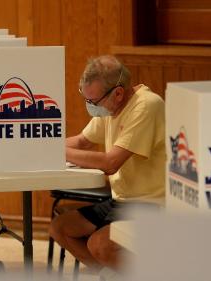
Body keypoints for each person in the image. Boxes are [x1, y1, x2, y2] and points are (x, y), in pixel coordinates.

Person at [49, 55, 166, 271]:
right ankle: (111, 275)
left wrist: (58, 152)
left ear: (118, 93)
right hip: (121, 200)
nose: (90, 107)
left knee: (100, 244)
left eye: (93, 102)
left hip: (152, 205)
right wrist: (42, 147)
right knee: (61, 228)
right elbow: (83, 142)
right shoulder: (111, 106)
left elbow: (111, 163)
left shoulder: (146, 106)